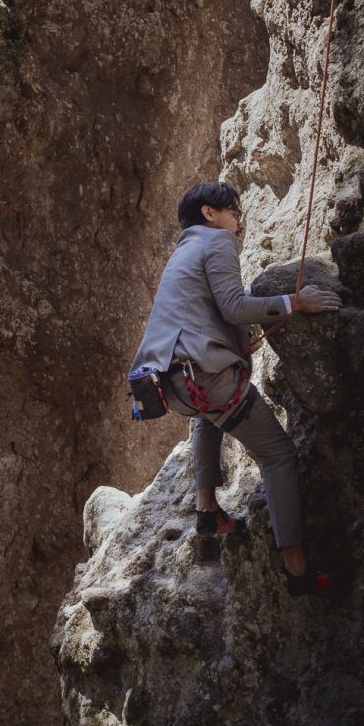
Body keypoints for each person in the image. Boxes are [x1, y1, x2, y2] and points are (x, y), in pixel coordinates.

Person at [130, 181, 347, 597]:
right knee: (278, 454)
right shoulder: (217, 242)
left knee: (208, 420)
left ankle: (207, 507)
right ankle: (298, 571)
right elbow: (232, 305)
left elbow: (208, 313)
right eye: (234, 212)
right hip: (204, 377)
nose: (240, 223)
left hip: (168, 385)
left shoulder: (182, 253)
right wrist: (294, 302)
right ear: (210, 214)